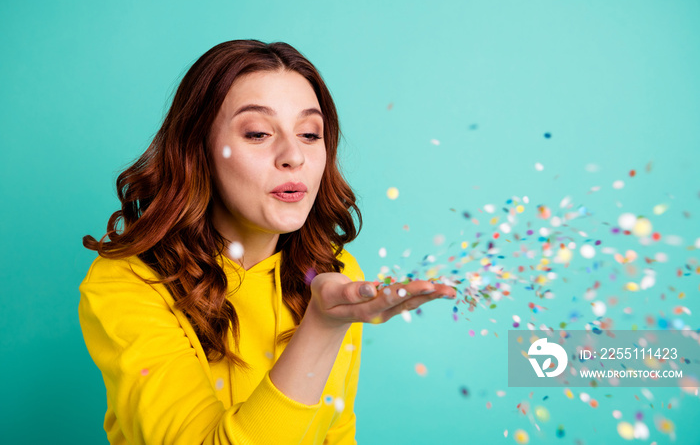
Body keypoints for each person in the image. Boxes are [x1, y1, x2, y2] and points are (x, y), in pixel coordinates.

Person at [78, 39, 457, 445]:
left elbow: (337, 433)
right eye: (258, 133)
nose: (293, 155)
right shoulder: (128, 283)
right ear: (198, 150)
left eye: (310, 133)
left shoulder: (338, 273)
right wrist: (323, 325)